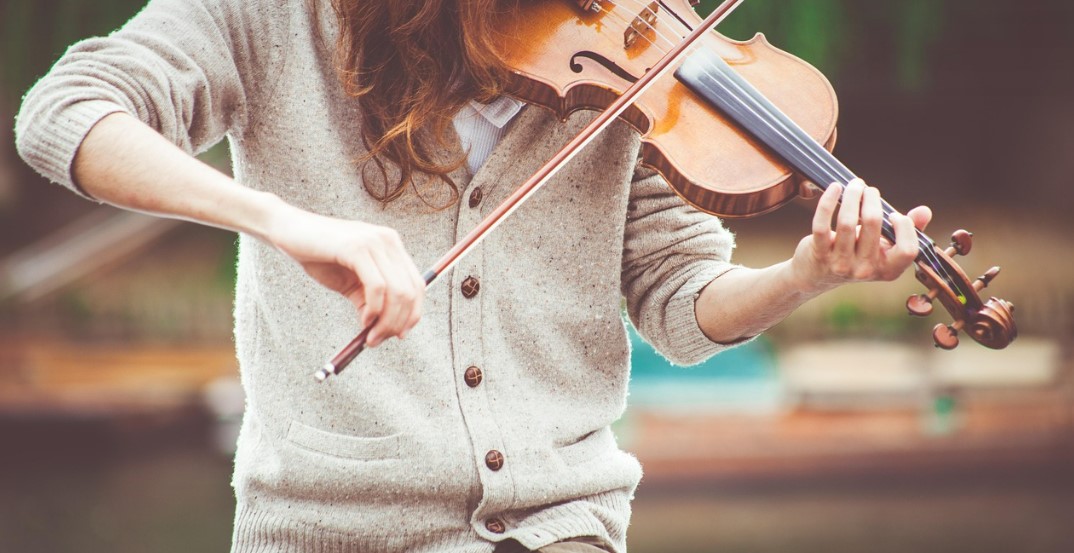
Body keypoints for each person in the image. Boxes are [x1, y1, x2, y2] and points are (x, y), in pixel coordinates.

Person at [14, 1, 930, 552]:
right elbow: (64, 112)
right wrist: (281, 222)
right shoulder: (275, 19)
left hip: (560, 529)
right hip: (332, 531)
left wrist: (806, 273)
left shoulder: (636, 42)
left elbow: (683, 305)